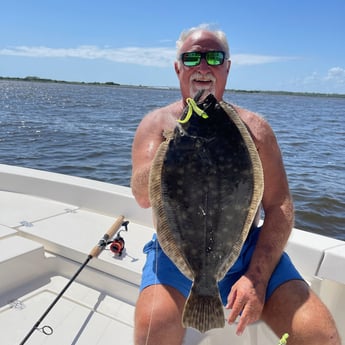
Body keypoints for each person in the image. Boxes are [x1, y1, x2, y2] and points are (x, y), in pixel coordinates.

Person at [130, 24, 340, 345]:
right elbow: (142, 196)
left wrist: (255, 279)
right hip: (178, 253)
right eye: (192, 57)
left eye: (214, 57)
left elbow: (279, 205)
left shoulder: (255, 129)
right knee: (152, 332)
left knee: (319, 335)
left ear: (227, 67)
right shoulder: (157, 125)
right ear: (178, 68)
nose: (203, 65)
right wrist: (169, 150)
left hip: (246, 251)